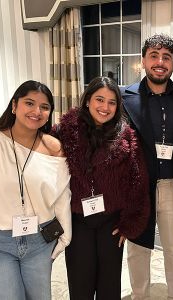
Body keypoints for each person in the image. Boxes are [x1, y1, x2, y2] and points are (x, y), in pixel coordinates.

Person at [0, 80, 72, 300]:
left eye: (45, 107)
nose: (36, 111)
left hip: (39, 240)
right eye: (29, 103)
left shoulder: (53, 147)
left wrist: (65, 236)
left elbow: (61, 196)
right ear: (14, 106)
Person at [54, 76, 150, 300]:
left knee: (109, 285)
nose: (105, 107)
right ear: (87, 100)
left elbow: (138, 181)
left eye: (112, 102)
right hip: (77, 221)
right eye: (99, 99)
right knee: (80, 283)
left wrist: (130, 222)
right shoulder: (64, 132)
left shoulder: (125, 136)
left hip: (111, 222)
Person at [121, 34, 173, 300]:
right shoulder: (122, 97)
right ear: (143, 60)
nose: (160, 62)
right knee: (137, 247)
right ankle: (140, 295)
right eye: (154, 55)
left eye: (166, 57)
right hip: (138, 188)